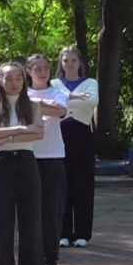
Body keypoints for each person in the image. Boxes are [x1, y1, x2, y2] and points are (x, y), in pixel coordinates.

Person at [0, 62, 46, 265]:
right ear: (0, 80)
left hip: (26, 161)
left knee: (30, 219)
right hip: (2, 164)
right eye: (9, 78)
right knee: (2, 219)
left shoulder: (33, 105)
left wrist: (7, 134)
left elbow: (38, 132)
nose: (15, 82)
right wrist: (19, 129)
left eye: (19, 78)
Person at [25, 54, 70, 265]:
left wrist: (35, 105)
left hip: (52, 156)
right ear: (28, 71)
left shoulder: (57, 92)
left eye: (45, 68)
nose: (42, 72)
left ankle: (51, 258)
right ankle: (31, 258)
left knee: (51, 210)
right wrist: (43, 106)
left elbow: (60, 111)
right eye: (37, 68)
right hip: (27, 156)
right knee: (29, 211)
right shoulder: (22, 93)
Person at [56, 45, 98, 248]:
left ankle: (82, 232)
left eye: (73, 60)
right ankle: (63, 232)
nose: (70, 64)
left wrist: (65, 102)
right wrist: (75, 100)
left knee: (83, 182)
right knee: (62, 183)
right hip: (59, 134)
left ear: (80, 62)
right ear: (61, 63)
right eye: (66, 61)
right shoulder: (54, 83)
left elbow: (93, 101)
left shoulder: (90, 82)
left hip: (82, 134)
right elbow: (50, 104)